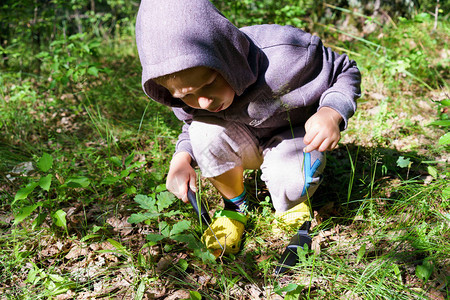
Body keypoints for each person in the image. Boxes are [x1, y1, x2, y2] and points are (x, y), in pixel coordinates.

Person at [135, 0, 361, 257]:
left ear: (226, 59)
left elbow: (346, 69)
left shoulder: (288, 53)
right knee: (203, 131)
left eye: (209, 84)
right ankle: (234, 207)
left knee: (294, 184)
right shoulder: (186, 93)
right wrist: (182, 157)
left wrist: (330, 112)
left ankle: (292, 204)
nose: (204, 102)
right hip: (241, 138)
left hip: (294, 136)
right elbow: (192, 123)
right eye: (187, 95)